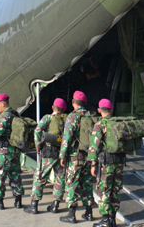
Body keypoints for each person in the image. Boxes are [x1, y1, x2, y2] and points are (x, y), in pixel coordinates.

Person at [24, 98, 68, 213]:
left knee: (40, 177)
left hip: (48, 152)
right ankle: (55, 205)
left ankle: (34, 205)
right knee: (60, 178)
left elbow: (38, 130)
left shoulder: (47, 118)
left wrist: (38, 145)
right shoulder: (66, 120)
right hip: (61, 153)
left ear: (53, 107)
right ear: (63, 110)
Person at [59, 91, 94, 223]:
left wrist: (62, 154)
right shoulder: (90, 116)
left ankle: (71, 214)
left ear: (73, 102)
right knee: (87, 183)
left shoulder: (72, 117)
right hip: (88, 155)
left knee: (72, 182)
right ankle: (89, 212)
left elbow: (67, 137)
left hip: (75, 155)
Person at [88, 99, 124, 227]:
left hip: (106, 164)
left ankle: (105, 221)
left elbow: (94, 146)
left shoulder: (99, 124)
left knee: (103, 191)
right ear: (111, 110)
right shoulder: (118, 123)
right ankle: (113, 219)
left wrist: (93, 164)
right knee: (115, 189)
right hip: (119, 162)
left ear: (99, 110)